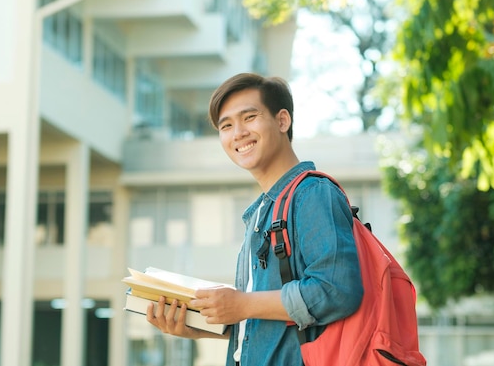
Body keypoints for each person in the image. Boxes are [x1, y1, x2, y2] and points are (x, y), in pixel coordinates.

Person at [146, 72, 363, 366]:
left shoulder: (312, 193)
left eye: (249, 117)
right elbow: (269, 323)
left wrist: (243, 304)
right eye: (226, 125)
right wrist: (201, 327)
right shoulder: (262, 212)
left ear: (282, 121)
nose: (238, 133)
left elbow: (337, 290)